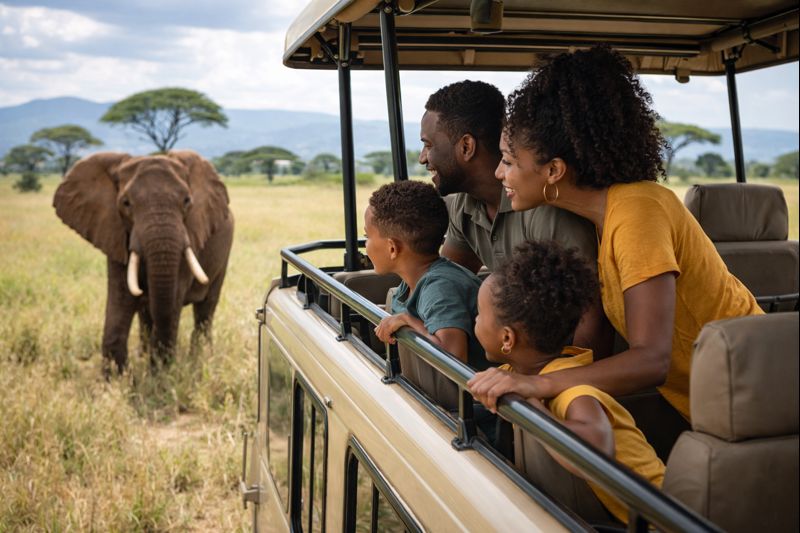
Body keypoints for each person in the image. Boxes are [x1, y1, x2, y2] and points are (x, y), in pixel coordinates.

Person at [469, 45, 763, 420]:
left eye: (509, 162)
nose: (499, 174)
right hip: (725, 399)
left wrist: (538, 384)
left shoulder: (637, 211)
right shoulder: (605, 218)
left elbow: (651, 360)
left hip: (760, 387)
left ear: (554, 170)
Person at [471, 240, 665, 525]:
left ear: (507, 338)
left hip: (665, 519)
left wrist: (529, 405)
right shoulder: (520, 372)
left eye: (479, 315)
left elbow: (597, 449)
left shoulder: (573, 390)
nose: (474, 320)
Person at [420, 80, 612, 355]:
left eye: (428, 144)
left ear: (466, 147)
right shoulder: (464, 205)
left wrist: (548, 387)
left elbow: (593, 324)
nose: (422, 158)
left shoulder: (548, 211)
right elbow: (443, 281)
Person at [367, 179, 489, 371]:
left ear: (392, 248)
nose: (366, 246)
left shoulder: (439, 287)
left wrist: (407, 320)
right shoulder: (412, 282)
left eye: (367, 237)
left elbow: (454, 357)